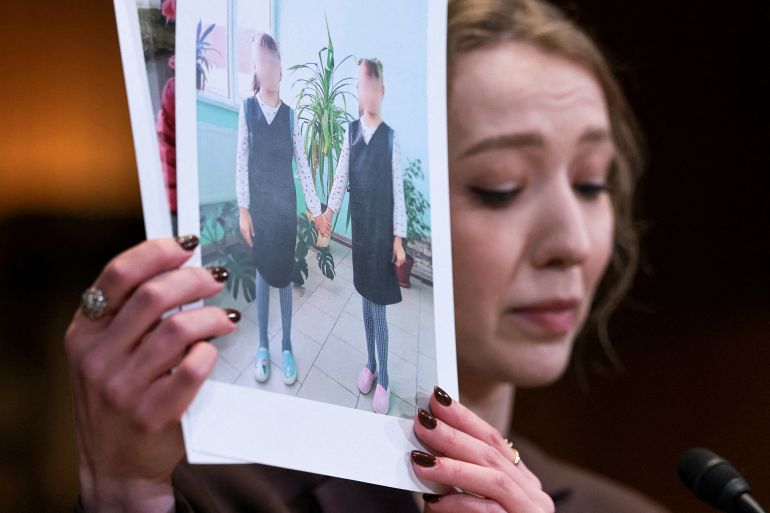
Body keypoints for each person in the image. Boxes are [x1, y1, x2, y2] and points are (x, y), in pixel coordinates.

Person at [67, 0, 670, 511]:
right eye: (500, 186)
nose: (573, 243)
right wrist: (120, 492)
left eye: (592, 183)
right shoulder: (206, 495)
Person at [317, 57, 407, 415]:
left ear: (381, 91)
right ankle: (369, 363)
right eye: (361, 85)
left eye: (372, 86)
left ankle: (384, 377)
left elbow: (398, 192)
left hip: (383, 235)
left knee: (379, 308)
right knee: (366, 303)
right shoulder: (350, 133)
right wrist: (327, 213)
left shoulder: (390, 140)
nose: (366, 92)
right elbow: (341, 179)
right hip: (362, 233)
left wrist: (398, 239)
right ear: (359, 90)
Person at [236, 33, 324, 386]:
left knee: (285, 278)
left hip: (286, 209)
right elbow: (241, 161)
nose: (269, 67)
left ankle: (286, 346)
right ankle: (262, 347)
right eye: (263, 61)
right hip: (259, 210)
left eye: (274, 61)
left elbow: (302, 165)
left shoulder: (290, 118)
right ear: (255, 68)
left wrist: (315, 211)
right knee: (261, 275)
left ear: (280, 69)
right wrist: (244, 210)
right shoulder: (246, 109)